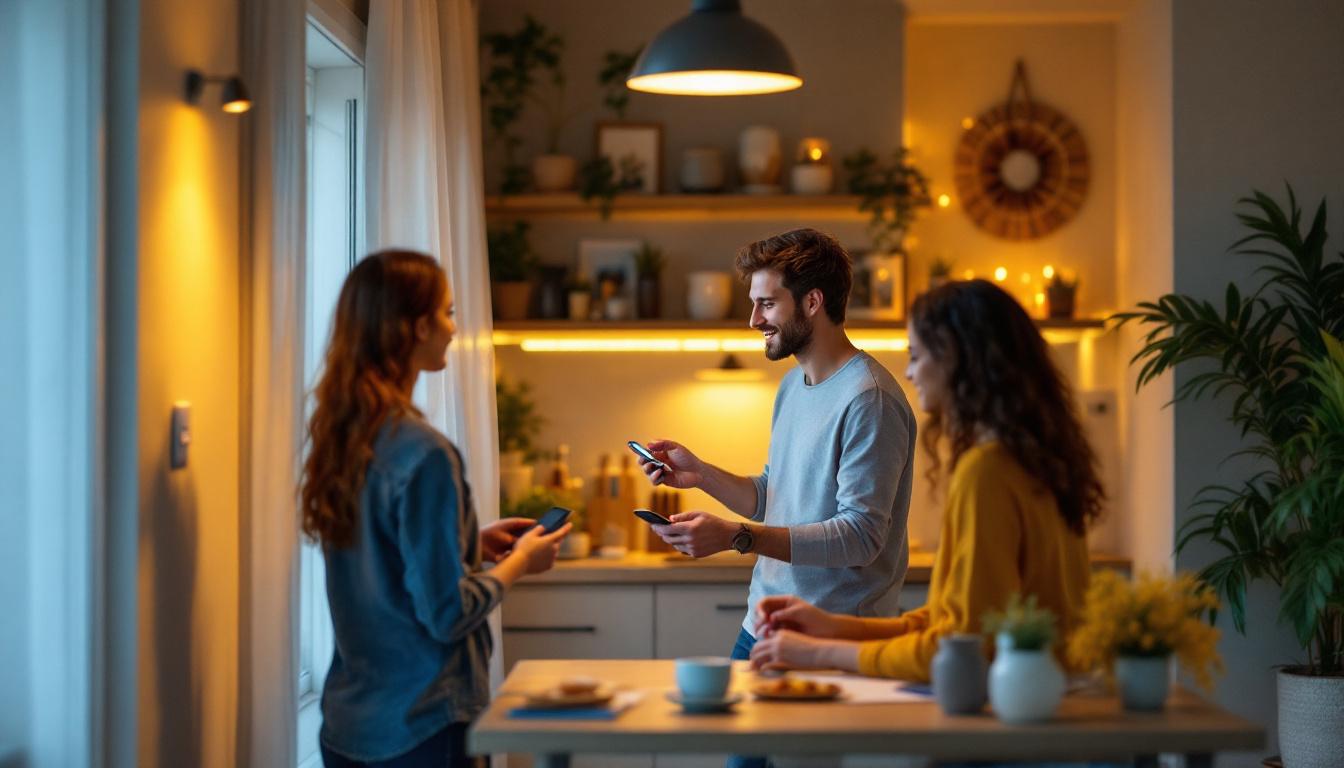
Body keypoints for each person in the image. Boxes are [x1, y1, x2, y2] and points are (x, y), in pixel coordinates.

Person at [748, 278, 1105, 683]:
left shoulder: (987, 472)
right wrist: (837, 627)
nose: (910, 372)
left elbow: (963, 645)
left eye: (916, 356)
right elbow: (951, 618)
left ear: (957, 359)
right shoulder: (1037, 460)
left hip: (1020, 713)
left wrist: (820, 652)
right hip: (1048, 694)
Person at [300, 250, 570, 767]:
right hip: (423, 728)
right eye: (447, 312)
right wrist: (521, 562)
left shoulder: (346, 437)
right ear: (416, 327)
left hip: (349, 726)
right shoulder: (424, 453)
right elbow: (447, 615)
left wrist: (469, 540)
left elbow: (384, 563)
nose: (453, 327)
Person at [636, 227, 917, 666]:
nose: (754, 320)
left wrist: (735, 536)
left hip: (834, 637)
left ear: (812, 302)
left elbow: (861, 538)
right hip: (762, 623)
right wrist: (701, 475)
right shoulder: (794, 385)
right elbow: (775, 497)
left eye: (767, 304)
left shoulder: (870, 399)